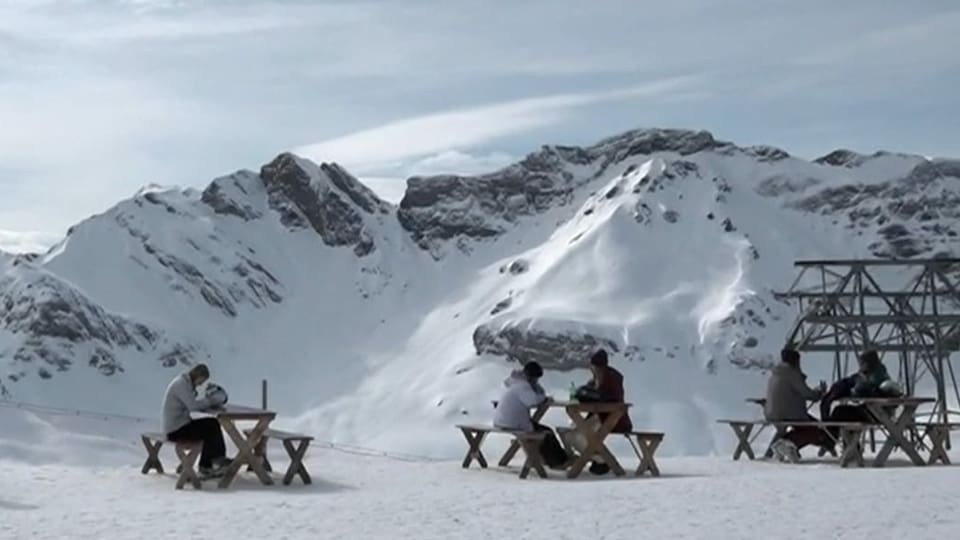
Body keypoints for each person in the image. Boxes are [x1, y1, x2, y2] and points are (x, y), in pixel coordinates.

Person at [564, 349, 633, 475]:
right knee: (570, 435)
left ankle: (603, 461)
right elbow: (586, 391)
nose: (593, 370)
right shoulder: (596, 379)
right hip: (599, 416)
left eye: (595, 367)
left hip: (613, 418)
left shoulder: (612, 378)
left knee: (579, 436)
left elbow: (610, 398)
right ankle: (599, 460)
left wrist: (590, 395)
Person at [493, 361, 570, 469]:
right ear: (532, 376)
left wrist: (537, 389)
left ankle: (550, 460)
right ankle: (558, 462)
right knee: (546, 433)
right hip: (513, 422)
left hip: (503, 420)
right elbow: (532, 401)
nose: (537, 380)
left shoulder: (515, 383)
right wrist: (544, 398)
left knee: (539, 430)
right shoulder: (523, 386)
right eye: (536, 378)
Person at [163, 364, 231, 477]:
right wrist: (210, 401)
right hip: (175, 430)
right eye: (202, 380)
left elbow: (191, 404)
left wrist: (207, 402)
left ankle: (208, 464)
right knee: (211, 425)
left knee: (210, 425)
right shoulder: (182, 385)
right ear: (198, 375)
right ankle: (214, 462)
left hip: (177, 426)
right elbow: (193, 406)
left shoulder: (183, 383)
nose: (201, 384)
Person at [763, 348, 828, 462]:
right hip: (790, 413)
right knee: (816, 429)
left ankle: (783, 445)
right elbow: (807, 394)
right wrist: (819, 393)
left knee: (808, 427)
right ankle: (788, 443)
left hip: (771, 413)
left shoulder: (776, 373)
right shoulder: (792, 374)